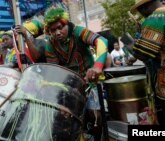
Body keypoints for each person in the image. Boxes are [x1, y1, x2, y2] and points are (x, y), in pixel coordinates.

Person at [22, 7, 108, 140]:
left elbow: (102, 41)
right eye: (52, 30)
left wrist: (97, 67)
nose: (57, 32)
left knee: (94, 113)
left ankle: (99, 137)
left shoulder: (78, 31)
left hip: (91, 81)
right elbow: (54, 69)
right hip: (70, 86)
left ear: (66, 24)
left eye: (60, 27)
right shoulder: (51, 43)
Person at [130, 0, 165, 124]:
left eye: (141, 10)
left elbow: (142, 54)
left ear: (144, 8)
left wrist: (134, 43)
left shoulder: (154, 19)